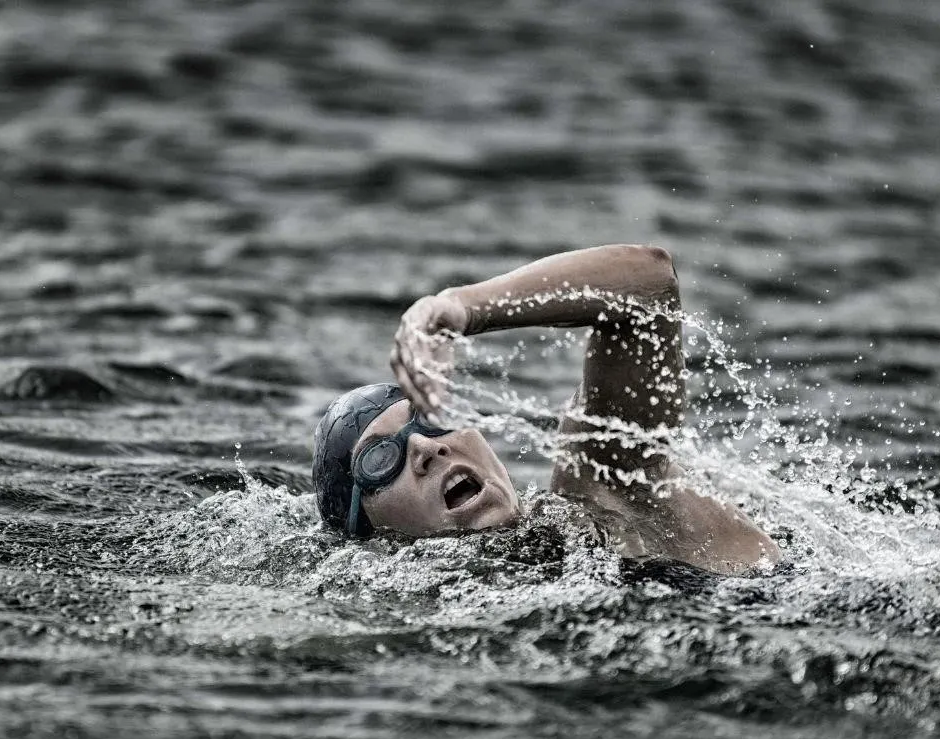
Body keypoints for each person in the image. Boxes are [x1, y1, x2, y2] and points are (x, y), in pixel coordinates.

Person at [312, 245, 781, 575]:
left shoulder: (604, 486)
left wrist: (459, 308)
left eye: (432, 420)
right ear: (368, 534)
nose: (424, 448)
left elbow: (650, 284)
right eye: (380, 460)